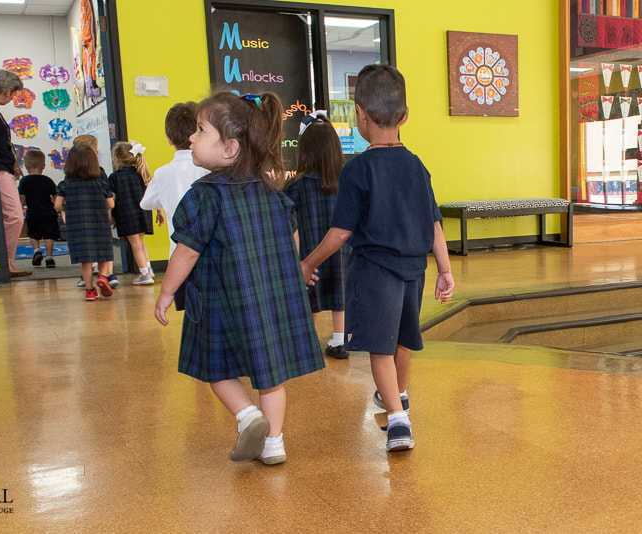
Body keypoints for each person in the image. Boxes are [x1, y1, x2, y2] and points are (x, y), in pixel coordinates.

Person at [154, 91, 324, 466]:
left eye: (200, 130)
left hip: (221, 299)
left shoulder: (204, 195)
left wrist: (167, 291)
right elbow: (291, 236)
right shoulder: (271, 191)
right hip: (270, 297)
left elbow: (187, 249)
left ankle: (248, 416)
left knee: (216, 369)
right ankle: (274, 443)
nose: (192, 138)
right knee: (271, 375)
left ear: (230, 148)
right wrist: (295, 271)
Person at [300, 65, 455, 452]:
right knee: (402, 341)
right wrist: (446, 269)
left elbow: (341, 233)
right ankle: (397, 397)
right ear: (405, 116)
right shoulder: (417, 165)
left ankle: (399, 422)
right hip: (414, 270)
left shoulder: (358, 169)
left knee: (380, 350)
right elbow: (434, 222)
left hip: (374, 271)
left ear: (360, 116)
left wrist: (307, 262)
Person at [284, 111, 349, 359]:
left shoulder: (295, 185)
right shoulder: (347, 180)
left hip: (309, 253)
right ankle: (341, 340)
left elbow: (288, 225)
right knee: (340, 292)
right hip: (343, 251)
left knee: (308, 293)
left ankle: (307, 343)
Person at [140, 102, 209, 258]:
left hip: (177, 253)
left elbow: (146, 203)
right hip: (209, 253)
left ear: (169, 139)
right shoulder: (209, 168)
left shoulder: (162, 173)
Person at [54, 144, 115, 301]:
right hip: (99, 222)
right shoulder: (99, 182)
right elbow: (111, 204)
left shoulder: (66, 183)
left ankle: (90, 291)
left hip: (77, 225)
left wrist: (66, 208)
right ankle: (102, 277)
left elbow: (57, 205)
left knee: (85, 260)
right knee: (103, 254)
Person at [0, 69, 30, 277]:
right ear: (6, 92)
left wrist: (14, 163)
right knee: (15, 216)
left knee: (10, 216)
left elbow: (3, 143)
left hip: (5, 167)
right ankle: (6, 262)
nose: (13, 98)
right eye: (13, 94)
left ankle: (6, 262)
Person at [72, 134, 119, 289]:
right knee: (104, 247)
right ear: (95, 154)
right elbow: (108, 198)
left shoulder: (71, 176)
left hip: (81, 219)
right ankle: (106, 274)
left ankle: (86, 280)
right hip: (100, 217)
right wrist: (110, 216)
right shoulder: (100, 173)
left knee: (86, 248)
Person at [109, 141, 155, 285]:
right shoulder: (141, 173)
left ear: (116, 158)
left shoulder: (114, 177)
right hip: (143, 213)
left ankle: (144, 273)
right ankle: (148, 268)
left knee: (135, 245)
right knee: (140, 243)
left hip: (127, 214)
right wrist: (159, 211)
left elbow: (112, 199)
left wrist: (111, 216)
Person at [18, 149, 59, 268]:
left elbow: (22, 198)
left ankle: (37, 251)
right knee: (48, 235)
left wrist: (20, 209)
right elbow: (56, 196)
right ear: (44, 166)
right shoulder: (47, 180)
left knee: (33, 234)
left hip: (32, 212)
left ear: (26, 165)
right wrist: (57, 207)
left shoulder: (24, 181)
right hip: (48, 213)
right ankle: (49, 258)